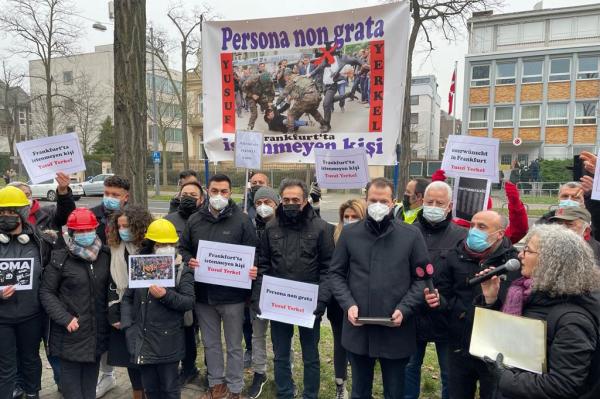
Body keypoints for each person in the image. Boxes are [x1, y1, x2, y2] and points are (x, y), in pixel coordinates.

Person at [329, 177, 430, 398]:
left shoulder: (411, 235)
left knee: (394, 392)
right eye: (373, 200)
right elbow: (336, 274)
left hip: (396, 331)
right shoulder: (350, 233)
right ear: (366, 200)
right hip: (359, 330)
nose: (378, 205)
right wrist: (348, 305)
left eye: (383, 201)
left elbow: (421, 278)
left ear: (393, 202)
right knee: (359, 391)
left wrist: (405, 308)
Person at [479, 224, 600, 398]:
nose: (520, 255)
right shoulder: (527, 295)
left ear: (550, 261)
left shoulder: (572, 320)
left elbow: (562, 386)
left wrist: (504, 378)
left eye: (527, 250)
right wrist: (491, 301)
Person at [179, 174, 258, 399]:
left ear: (230, 193)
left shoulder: (242, 221)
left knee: (234, 345)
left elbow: (254, 253)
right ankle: (216, 384)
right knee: (211, 344)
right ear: (207, 192)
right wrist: (189, 260)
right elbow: (183, 248)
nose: (219, 196)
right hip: (204, 296)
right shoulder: (195, 220)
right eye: (215, 191)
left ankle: (235, 388)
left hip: (233, 297)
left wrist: (253, 269)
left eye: (224, 191)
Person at [254, 179, 334, 399]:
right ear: (280, 199)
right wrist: (261, 297)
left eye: (295, 200)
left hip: (309, 306)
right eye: (286, 199)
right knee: (280, 355)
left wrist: (322, 300)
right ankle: (285, 393)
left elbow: (328, 269)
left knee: (311, 356)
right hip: (278, 304)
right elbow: (263, 266)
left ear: (305, 200)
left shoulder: (321, 228)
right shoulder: (271, 228)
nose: (290, 203)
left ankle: (310, 395)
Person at [437, 210, 520, 399]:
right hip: (459, 342)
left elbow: (514, 305)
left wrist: (495, 295)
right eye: (472, 225)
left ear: (500, 233)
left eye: (482, 227)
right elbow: (444, 292)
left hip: (494, 348)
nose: (474, 230)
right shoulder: (455, 255)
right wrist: (440, 303)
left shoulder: (512, 262)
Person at [9, 173, 76, 395]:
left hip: (41, 297)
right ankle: (18, 385)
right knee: (16, 353)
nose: (26, 199)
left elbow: (66, 214)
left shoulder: (45, 216)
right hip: (10, 305)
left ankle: (59, 383)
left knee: (45, 347)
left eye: (27, 195)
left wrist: (64, 192)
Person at [39, 208, 112, 399]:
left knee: (89, 391)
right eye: (79, 231)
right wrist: (65, 318)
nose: (85, 234)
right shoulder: (60, 258)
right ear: (71, 233)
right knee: (72, 392)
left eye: (88, 230)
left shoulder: (105, 256)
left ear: (96, 229)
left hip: (96, 334)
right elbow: (46, 292)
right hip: (69, 334)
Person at [404, 181, 467, 399]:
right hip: (413, 313)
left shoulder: (461, 236)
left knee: (449, 372)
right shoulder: (408, 231)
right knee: (409, 367)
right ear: (422, 201)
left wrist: (445, 300)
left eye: (439, 203)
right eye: (429, 201)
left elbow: (464, 277)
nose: (433, 206)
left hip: (446, 315)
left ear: (450, 206)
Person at [121, 219, 195, 399]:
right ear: (152, 244)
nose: (166, 247)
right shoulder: (140, 267)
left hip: (169, 343)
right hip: (143, 341)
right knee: (151, 390)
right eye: (161, 244)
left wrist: (165, 296)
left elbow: (188, 302)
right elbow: (128, 299)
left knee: (170, 390)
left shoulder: (181, 269)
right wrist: (128, 327)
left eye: (170, 243)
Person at [0, 186, 54, 399]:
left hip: (31, 315)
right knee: (5, 365)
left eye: (11, 212)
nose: (6, 217)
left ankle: (32, 393)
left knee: (31, 359)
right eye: (2, 212)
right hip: (2, 318)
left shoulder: (40, 242)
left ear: (22, 213)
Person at [105, 205, 154, 397]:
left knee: (149, 355)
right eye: (119, 226)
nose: (122, 230)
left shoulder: (151, 247)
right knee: (130, 356)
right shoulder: (113, 249)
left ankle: (152, 390)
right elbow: (110, 283)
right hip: (124, 309)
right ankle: (137, 392)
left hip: (149, 309)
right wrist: (114, 314)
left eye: (126, 226)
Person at [92, 175, 130, 396]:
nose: (109, 198)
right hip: (97, 277)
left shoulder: (132, 216)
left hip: (122, 279)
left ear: (126, 197)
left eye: (115, 195)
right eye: (106, 193)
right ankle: (105, 374)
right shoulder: (93, 214)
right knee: (101, 325)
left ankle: (123, 375)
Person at [165, 181, 204, 386]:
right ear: (179, 196)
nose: (188, 197)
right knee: (184, 328)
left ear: (201, 199)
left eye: (193, 194)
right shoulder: (169, 220)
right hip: (175, 283)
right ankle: (187, 368)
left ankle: (210, 372)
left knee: (205, 329)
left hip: (205, 283)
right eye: (185, 193)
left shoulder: (206, 220)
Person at [331, 199, 366, 398]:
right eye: (347, 217)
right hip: (338, 302)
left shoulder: (370, 239)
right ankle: (340, 384)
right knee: (340, 343)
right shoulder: (334, 235)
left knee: (359, 347)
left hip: (362, 302)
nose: (350, 221)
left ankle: (359, 385)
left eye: (355, 217)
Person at [247, 186, 279, 398]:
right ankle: (260, 372)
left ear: (277, 204)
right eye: (258, 203)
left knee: (281, 336)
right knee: (257, 334)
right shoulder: (249, 227)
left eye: (267, 202)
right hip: (255, 290)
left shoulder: (285, 226)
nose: (263, 207)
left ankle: (285, 372)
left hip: (279, 290)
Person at [9, 172, 76, 233]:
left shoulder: (49, 213)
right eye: (19, 195)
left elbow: (67, 215)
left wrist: (63, 191)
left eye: (27, 194)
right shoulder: (5, 219)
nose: (25, 198)